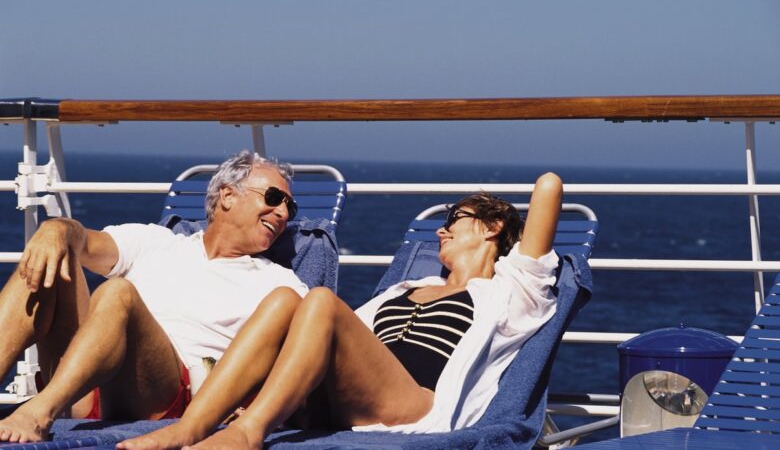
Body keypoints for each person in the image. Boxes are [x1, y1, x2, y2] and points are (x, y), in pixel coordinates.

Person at [118, 172, 563, 450]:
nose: (443, 228)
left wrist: (491, 207)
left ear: (493, 228)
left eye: (456, 217)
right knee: (285, 301)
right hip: (340, 400)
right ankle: (195, 425)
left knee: (320, 303)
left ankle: (249, 433)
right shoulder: (407, 288)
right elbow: (319, 346)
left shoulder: (512, 292)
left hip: (412, 408)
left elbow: (549, 186)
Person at [0, 151, 310, 443]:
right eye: (274, 198)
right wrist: (58, 229)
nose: (283, 213)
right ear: (227, 196)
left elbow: (300, 360)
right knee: (47, 261)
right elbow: (85, 244)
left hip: (161, 396)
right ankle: (48, 400)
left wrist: (252, 408)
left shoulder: (279, 284)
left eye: (289, 207)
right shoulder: (157, 242)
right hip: (81, 387)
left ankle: (39, 412)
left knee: (118, 293)